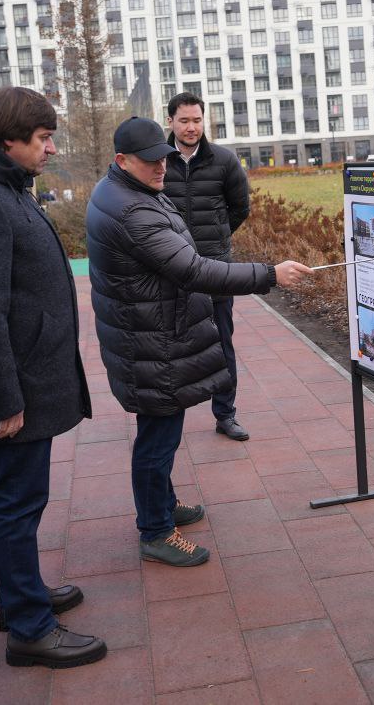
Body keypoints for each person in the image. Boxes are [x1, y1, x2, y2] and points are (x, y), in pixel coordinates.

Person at [86, 116, 313, 566]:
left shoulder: (129, 192)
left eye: (164, 159)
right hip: (150, 341)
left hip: (150, 333)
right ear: (121, 161)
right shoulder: (133, 209)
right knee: (157, 438)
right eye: (150, 162)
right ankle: (155, 531)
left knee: (160, 431)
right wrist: (270, 274)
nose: (161, 168)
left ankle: (163, 505)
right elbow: (192, 269)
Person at [0, 86, 105, 669]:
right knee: (15, 501)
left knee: (22, 498)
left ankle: (21, 595)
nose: (52, 148)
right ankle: (29, 627)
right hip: (14, 392)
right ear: (8, 141)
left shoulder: (2, 186)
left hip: (26, 379)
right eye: (43, 138)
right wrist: (6, 400)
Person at [160, 92, 253, 441]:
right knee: (168, 343)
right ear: (170, 121)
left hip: (215, 269)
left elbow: (239, 208)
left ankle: (225, 414)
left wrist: (216, 237)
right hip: (168, 269)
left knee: (221, 341)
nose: (191, 127)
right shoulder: (158, 161)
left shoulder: (224, 161)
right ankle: (169, 414)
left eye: (197, 120)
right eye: (184, 120)